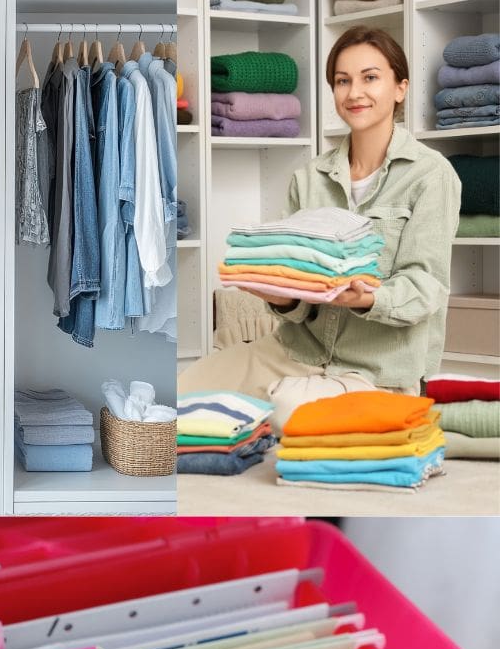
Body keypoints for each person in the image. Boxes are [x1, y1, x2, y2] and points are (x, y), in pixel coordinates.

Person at [179, 26, 461, 408]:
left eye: (370, 78)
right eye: (342, 81)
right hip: (294, 356)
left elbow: (426, 287)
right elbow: (299, 304)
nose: (354, 93)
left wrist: (364, 299)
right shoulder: (309, 177)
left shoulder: (431, 175)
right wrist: (280, 297)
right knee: (180, 396)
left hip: (375, 373)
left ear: (400, 88)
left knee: (286, 415)